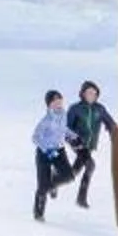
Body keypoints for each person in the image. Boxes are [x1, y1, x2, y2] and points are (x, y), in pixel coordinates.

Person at [63, 82, 116, 209]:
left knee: (74, 172)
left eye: (94, 93)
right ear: (82, 94)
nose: (92, 95)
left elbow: (110, 124)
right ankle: (81, 198)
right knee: (90, 165)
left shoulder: (100, 109)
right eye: (89, 93)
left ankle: (53, 182)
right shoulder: (75, 108)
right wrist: (73, 141)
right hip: (78, 143)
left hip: (90, 145)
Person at [32, 90, 73, 221]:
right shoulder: (46, 120)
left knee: (68, 176)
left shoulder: (64, 115)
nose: (58, 104)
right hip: (44, 153)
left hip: (59, 151)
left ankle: (53, 185)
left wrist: (73, 136)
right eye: (55, 102)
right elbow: (35, 137)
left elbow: (63, 129)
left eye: (60, 101)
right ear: (49, 105)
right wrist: (46, 149)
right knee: (42, 186)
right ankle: (38, 213)